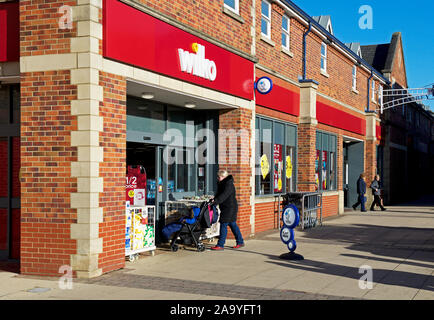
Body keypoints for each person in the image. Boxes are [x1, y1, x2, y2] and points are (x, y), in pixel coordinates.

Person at [210, 170, 245, 251]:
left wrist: (216, 201)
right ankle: (240, 241)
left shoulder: (228, 185)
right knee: (232, 224)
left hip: (230, 208)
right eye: (218, 177)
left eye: (219, 177)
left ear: (224, 177)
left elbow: (224, 195)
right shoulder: (222, 184)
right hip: (227, 207)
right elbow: (219, 194)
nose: (218, 178)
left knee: (223, 224)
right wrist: (214, 199)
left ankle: (220, 244)